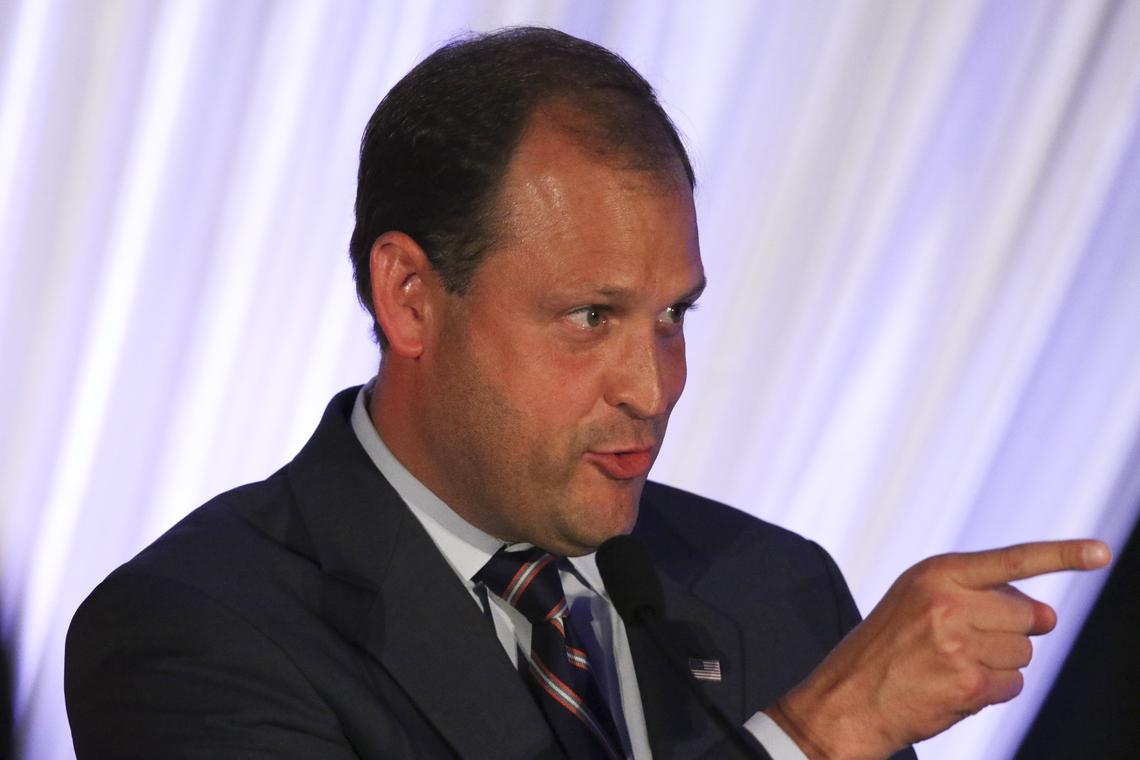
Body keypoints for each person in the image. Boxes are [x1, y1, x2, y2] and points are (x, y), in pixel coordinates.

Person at [64, 27, 1110, 760]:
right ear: (412, 297)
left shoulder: (773, 588)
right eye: (591, 318)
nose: (654, 388)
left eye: (674, 316)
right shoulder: (195, 632)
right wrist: (809, 739)